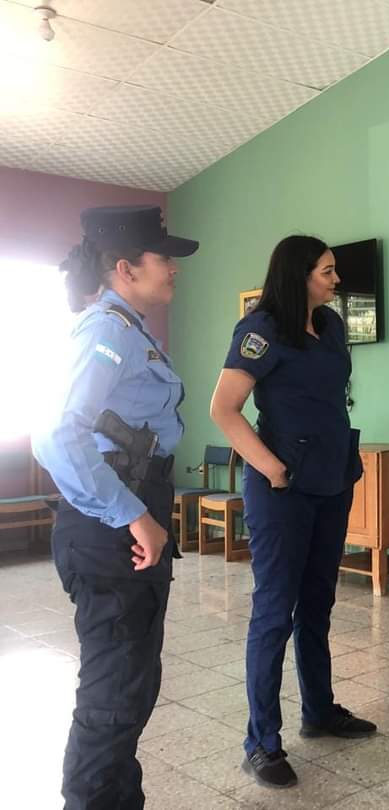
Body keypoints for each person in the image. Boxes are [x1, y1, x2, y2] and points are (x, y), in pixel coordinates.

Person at [32, 205, 199, 810]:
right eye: (164, 257)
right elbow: (57, 435)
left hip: (126, 513)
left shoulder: (127, 330)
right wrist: (133, 515)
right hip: (110, 526)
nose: (174, 268)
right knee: (113, 694)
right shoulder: (106, 332)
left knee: (131, 684)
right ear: (126, 268)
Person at [209, 235, 371, 789]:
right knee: (275, 612)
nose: (335, 280)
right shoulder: (261, 330)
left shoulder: (329, 328)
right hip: (282, 490)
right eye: (327, 271)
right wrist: (273, 468)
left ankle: (319, 711)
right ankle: (261, 742)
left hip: (332, 480)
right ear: (300, 274)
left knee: (318, 603)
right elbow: (224, 409)